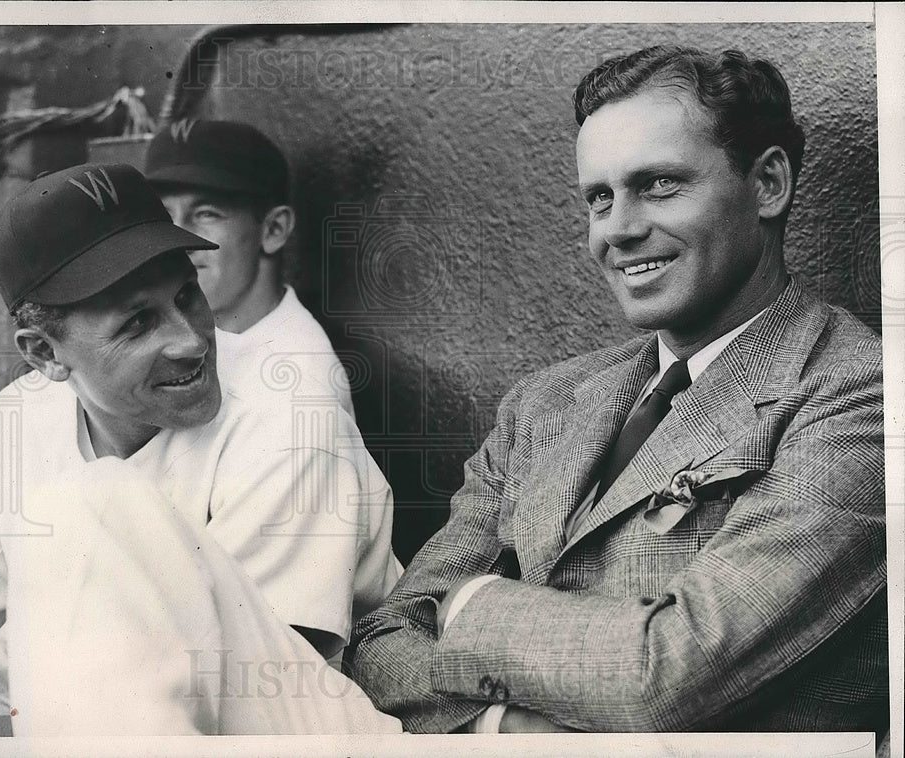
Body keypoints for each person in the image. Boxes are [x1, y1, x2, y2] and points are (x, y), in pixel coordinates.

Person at [347, 46, 888, 734]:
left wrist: (469, 604)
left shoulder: (861, 394)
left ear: (768, 184)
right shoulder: (543, 404)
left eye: (659, 184)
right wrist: (502, 728)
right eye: (599, 198)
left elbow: (667, 676)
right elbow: (384, 639)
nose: (619, 230)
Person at [0, 163, 400, 735]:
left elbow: (253, 697)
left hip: (295, 719)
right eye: (137, 323)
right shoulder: (17, 421)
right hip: (96, 710)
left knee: (93, 500)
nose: (189, 340)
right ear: (44, 354)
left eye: (187, 294)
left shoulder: (292, 418)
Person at [143, 118, 356, 419]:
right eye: (165, 216)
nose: (177, 239)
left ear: (273, 230)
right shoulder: (191, 337)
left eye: (206, 214)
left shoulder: (299, 384)